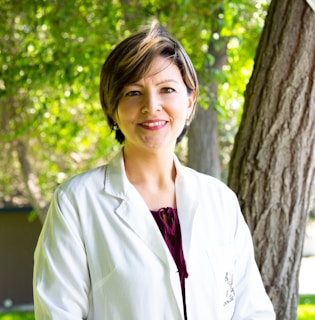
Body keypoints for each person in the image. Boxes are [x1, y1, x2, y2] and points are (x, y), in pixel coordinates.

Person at [33, 22, 275, 320]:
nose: (152, 106)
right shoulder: (76, 203)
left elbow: (252, 311)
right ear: (113, 109)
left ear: (190, 101)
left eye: (167, 89)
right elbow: (58, 314)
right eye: (133, 93)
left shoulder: (220, 200)